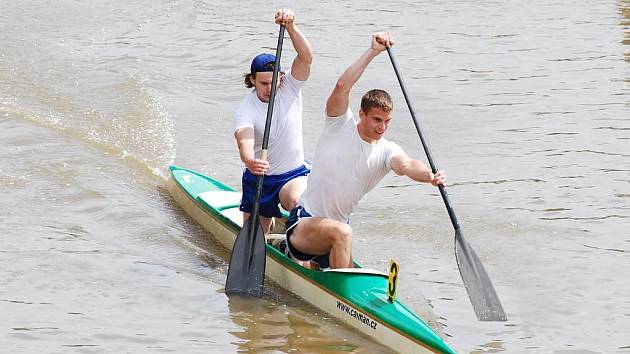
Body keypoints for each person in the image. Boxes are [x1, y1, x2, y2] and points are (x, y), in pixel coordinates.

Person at [282, 32, 447, 269]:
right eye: (377, 119)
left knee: (344, 240)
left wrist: (429, 177)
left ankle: (316, 271)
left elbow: (408, 165)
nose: (382, 127)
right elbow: (342, 85)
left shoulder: (387, 150)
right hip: (305, 223)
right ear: (361, 114)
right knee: (344, 233)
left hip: (336, 231)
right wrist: (373, 51)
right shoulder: (339, 124)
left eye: (387, 121)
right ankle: (297, 256)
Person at [234, 9, 312, 234]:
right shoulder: (246, 110)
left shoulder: (290, 86)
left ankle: (296, 250)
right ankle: (263, 239)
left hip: (292, 175)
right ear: (252, 80)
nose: (270, 89)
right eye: (263, 84)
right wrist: (250, 161)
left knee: (299, 203)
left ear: (280, 77)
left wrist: (291, 27)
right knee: (254, 233)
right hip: (260, 178)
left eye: (273, 82)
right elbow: (244, 141)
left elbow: (306, 57)